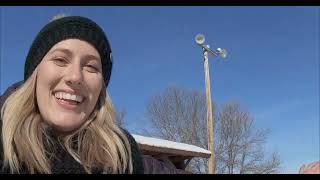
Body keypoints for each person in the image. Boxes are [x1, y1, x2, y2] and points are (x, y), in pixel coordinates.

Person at [0, 15, 192, 174]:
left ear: (101, 88)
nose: (75, 76)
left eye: (91, 67)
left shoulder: (123, 157)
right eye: (60, 59)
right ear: (35, 73)